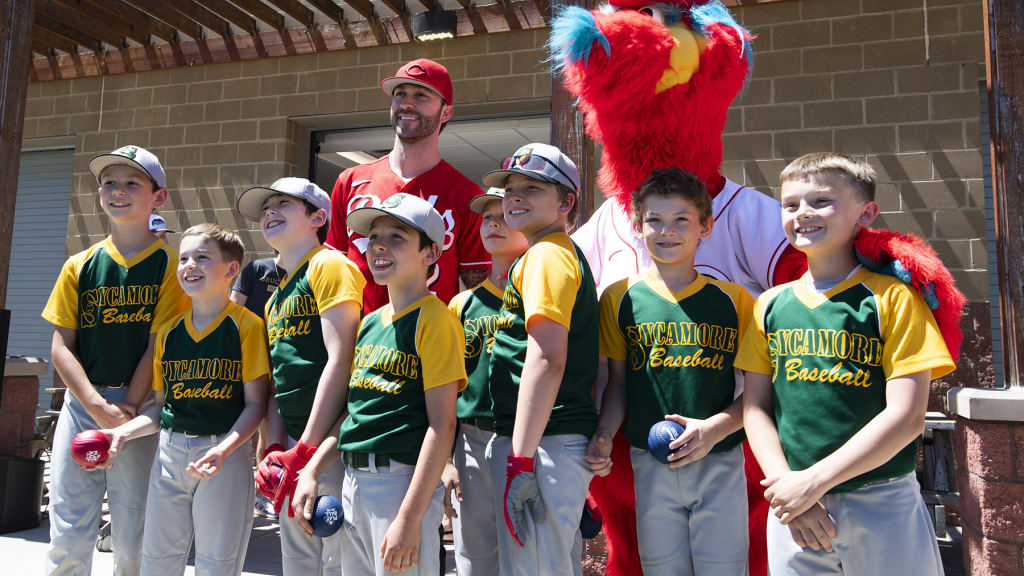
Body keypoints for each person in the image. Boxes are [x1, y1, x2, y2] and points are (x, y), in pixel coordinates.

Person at [736, 153, 956, 575]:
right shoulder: (769, 304)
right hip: (795, 507)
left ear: (866, 212)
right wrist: (788, 488)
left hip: (880, 499)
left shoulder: (892, 298)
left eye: (821, 201)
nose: (803, 214)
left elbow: (907, 417)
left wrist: (811, 483)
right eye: (790, 204)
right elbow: (756, 408)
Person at [587, 168, 753, 576]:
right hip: (650, 462)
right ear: (638, 225)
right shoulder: (619, 297)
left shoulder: (733, 300)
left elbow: (760, 395)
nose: (668, 231)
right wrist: (605, 432)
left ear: (705, 227)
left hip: (720, 459)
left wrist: (714, 428)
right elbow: (618, 386)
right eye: (655, 220)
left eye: (682, 219)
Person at [292, 192, 466, 576]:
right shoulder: (370, 322)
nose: (379, 246)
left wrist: (410, 517)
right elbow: (355, 416)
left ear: (431, 254)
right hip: (354, 481)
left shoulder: (436, 321)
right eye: (373, 237)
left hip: (401, 484)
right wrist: (313, 470)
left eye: (397, 236)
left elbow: (443, 425)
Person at [89, 223, 270, 576]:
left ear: (231, 269)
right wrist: (121, 434)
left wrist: (226, 449)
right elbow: (159, 405)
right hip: (169, 455)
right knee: (157, 563)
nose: (189, 265)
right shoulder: (169, 331)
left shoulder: (246, 326)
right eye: (184, 257)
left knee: (216, 564)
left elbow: (256, 405)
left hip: (222, 456)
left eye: (202, 258)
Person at [42, 145, 189, 575]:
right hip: (83, 403)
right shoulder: (79, 264)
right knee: (69, 525)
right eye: (109, 182)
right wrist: (94, 406)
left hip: (139, 408)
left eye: (131, 183)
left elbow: (156, 345)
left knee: (133, 531)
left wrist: (123, 414)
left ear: (157, 197)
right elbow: (60, 345)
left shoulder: (171, 266)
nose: (117, 190)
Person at [235, 177, 365, 576]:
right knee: (298, 559)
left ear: (318, 217)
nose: (269, 211)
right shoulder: (274, 298)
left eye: (284, 204)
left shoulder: (329, 265)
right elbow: (277, 382)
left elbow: (341, 359)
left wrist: (306, 450)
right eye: (266, 207)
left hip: (333, 443)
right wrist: (273, 446)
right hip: (295, 446)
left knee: (338, 559)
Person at [483, 143, 598, 576]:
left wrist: (520, 459)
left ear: (566, 202)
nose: (514, 196)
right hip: (549, 442)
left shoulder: (547, 254)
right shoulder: (551, 252)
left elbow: (547, 357)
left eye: (532, 188)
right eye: (509, 188)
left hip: (543, 443)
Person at [325, 59, 490, 313]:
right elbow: (331, 272)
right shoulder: (350, 181)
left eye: (421, 95)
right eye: (400, 94)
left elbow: (475, 296)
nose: (406, 102)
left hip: (428, 343)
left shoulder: (466, 195)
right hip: (356, 342)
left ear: (445, 112)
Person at [442, 187, 530, 575]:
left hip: (527, 437)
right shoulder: (462, 304)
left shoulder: (541, 291)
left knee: (529, 554)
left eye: (503, 215)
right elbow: (445, 389)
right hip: (471, 438)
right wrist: (446, 459)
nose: (493, 223)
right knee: (474, 558)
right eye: (486, 217)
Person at [229, 254, 285, 519]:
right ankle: (249, 491)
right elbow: (234, 306)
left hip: (280, 359)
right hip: (250, 357)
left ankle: (266, 491)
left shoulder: (306, 269)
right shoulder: (257, 269)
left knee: (268, 431)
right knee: (248, 425)